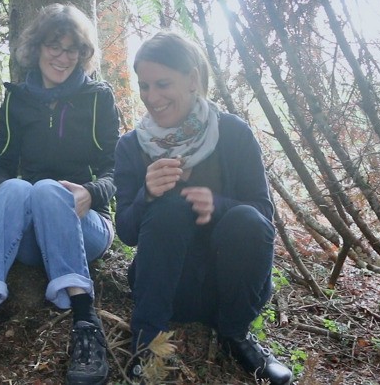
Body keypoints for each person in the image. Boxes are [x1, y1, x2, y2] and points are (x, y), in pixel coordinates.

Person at [0, 3, 120, 385]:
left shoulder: (99, 98)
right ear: (37, 48)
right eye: (55, 45)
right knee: (17, 187)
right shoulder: (16, 99)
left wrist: (91, 193)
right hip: (33, 237)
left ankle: (86, 324)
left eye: (73, 49)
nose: (63, 56)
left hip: (87, 226)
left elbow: (116, 168)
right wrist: (6, 197)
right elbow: (2, 162)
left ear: (83, 55)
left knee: (49, 190)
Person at [114, 32, 293, 385]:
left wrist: (220, 205)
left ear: (193, 79)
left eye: (163, 84)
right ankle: (146, 339)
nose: (152, 97)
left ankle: (236, 335)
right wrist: (145, 195)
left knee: (244, 217)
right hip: (169, 288)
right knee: (167, 206)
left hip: (230, 288)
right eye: (145, 86)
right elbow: (127, 231)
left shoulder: (233, 134)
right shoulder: (132, 147)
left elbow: (262, 217)